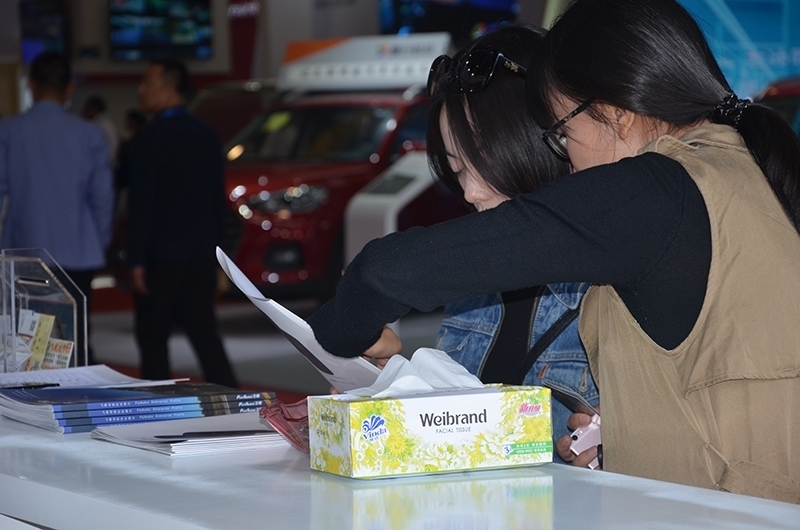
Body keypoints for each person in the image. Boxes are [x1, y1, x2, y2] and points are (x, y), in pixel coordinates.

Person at [307, 0, 800, 503]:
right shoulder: (731, 174)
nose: (567, 160)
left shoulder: (654, 191)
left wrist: (344, 328)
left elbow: (381, 273)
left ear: (615, 114)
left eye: (563, 133)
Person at [423, 23, 599, 458]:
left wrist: (618, 450)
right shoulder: (475, 283)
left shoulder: (609, 285)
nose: (469, 192)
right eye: (457, 169)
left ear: (548, 143)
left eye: (483, 161)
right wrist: (389, 384)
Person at [128, 58, 238, 388]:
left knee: (153, 336)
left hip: (161, 254)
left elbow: (142, 203)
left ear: (169, 90)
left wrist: (136, 258)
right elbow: (216, 200)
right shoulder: (207, 135)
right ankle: (232, 397)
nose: (140, 90)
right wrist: (218, 254)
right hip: (201, 252)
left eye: (147, 84)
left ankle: (159, 403)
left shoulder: (148, 138)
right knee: (204, 333)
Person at [0, 51, 114, 366]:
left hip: (25, 251)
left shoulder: (8, 131)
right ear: (69, 88)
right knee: (76, 336)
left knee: (28, 343)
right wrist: (99, 241)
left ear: (31, 85)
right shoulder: (90, 133)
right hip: (78, 250)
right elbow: (103, 197)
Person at [81, 94, 120, 168]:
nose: (85, 113)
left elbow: (110, 151)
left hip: (104, 166)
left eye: (87, 109)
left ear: (93, 109)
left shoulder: (101, 126)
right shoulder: (103, 123)